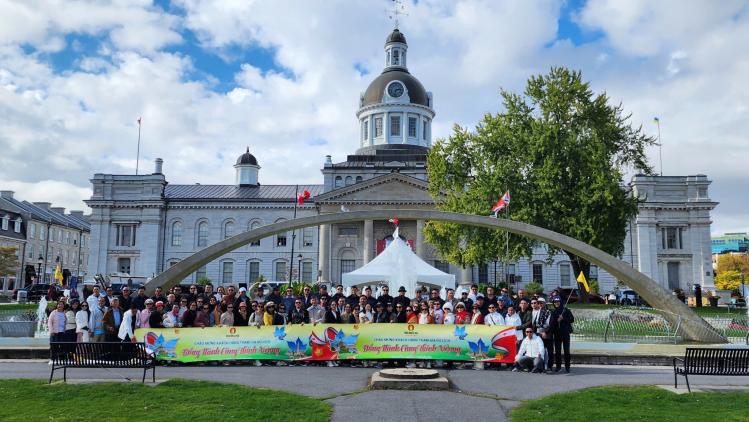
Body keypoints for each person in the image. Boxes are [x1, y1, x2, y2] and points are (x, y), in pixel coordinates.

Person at [550, 297, 574, 373]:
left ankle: (567, 366)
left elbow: (572, 319)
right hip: (557, 334)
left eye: (558, 301)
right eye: (555, 302)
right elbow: (551, 323)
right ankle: (558, 366)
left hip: (565, 333)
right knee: (557, 351)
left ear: (560, 302)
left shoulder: (566, 310)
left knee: (566, 350)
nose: (556, 303)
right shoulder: (553, 312)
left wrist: (563, 318)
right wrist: (556, 320)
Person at [531, 297, 552, 371]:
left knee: (547, 351)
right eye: (538, 303)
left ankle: (548, 366)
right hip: (537, 333)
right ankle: (540, 366)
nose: (540, 304)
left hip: (545, 333)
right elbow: (535, 323)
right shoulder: (538, 311)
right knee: (539, 350)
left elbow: (548, 324)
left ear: (545, 303)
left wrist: (543, 331)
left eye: (541, 303)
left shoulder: (548, 312)